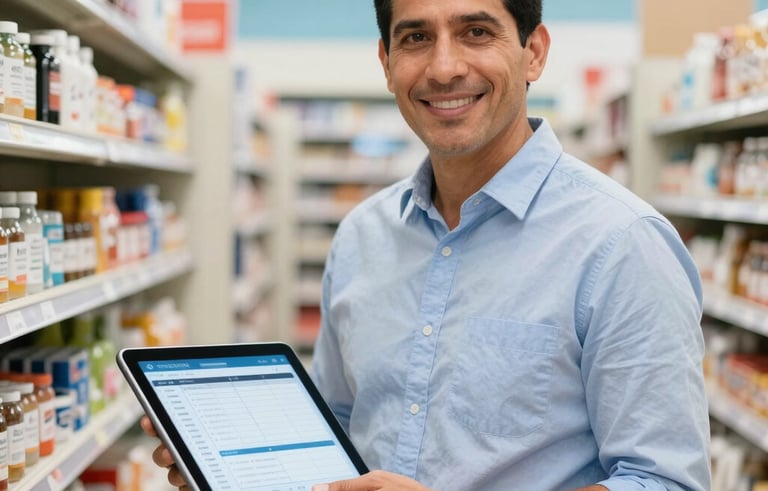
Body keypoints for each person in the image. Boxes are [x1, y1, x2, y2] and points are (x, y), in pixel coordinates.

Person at [145, 0, 711, 489]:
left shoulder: (622, 243)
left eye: (477, 32)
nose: (443, 68)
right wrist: (236, 467)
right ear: (387, 64)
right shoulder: (362, 236)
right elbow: (341, 423)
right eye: (416, 38)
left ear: (534, 51)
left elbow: (663, 480)